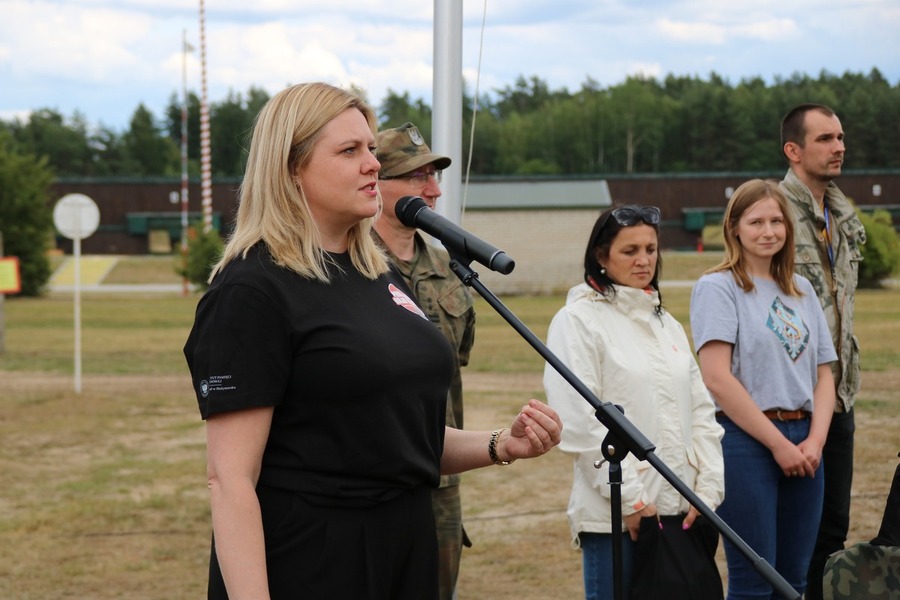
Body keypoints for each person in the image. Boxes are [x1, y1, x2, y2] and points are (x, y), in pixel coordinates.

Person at [182, 82, 562, 600]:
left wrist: (502, 444)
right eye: (349, 151)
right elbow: (230, 481)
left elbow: (404, 438)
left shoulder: (377, 273)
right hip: (315, 559)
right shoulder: (252, 290)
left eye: (370, 149)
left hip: (405, 548)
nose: (373, 165)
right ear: (291, 168)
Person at [543, 204, 725, 600]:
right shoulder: (575, 322)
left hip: (685, 515)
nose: (644, 260)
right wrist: (631, 500)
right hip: (618, 521)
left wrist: (708, 491)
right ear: (601, 256)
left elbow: (701, 415)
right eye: (630, 251)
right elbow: (582, 425)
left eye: (651, 249)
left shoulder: (666, 323)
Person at [690, 179, 837, 598]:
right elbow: (717, 377)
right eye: (756, 221)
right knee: (756, 580)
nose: (768, 231)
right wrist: (778, 445)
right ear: (734, 226)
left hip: (806, 441)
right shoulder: (718, 288)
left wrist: (815, 441)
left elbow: (825, 373)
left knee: (795, 580)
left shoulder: (801, 289)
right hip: (747, 443)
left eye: (777, 221)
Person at [373, 122, 476, 600]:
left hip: (440, 476)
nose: (433, 191)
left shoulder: (448, 271)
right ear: (377, 182)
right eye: (418, 178)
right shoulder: (346, 269)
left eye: (434, 177)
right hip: (372, 479)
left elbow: (453, 372)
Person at [778, 103, 866, 600]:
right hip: (792, 399)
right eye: (826, 139)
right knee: (792, 537)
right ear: (793, 150)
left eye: (841, 137)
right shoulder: (772, 214)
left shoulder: (842, 213)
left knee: (833, 531)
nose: (840, 147)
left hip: (840, 393)